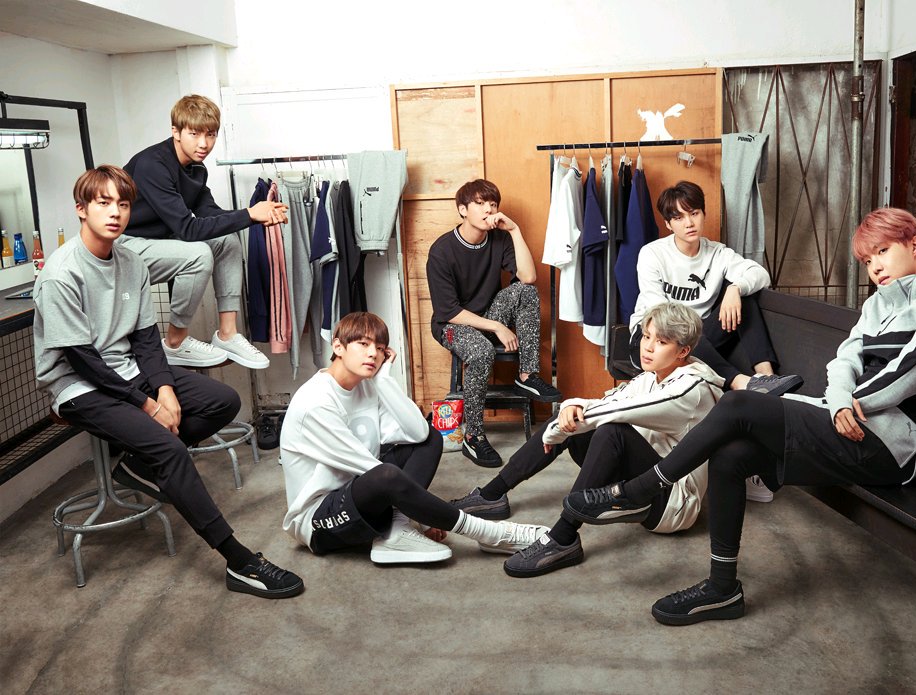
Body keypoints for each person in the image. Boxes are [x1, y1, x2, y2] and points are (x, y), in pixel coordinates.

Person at [563, 207, 916, 626]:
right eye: (867, 260)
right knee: (732, 455)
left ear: (915, 243)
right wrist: (839, 400)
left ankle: (642, 489)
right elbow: (843, 361)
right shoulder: (878, 303)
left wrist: (845, 404)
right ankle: (722, 589)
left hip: (890, 447)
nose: (875, 267)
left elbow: (906, 374)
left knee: (738, 404)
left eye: (882, 252)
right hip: (846, 422)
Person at [33, 165, 303, 599]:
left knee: (222, 401)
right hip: (79, 386)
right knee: (170, 450)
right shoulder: (62, 274)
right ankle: (240, 562)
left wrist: (164, 390)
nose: (115, 213)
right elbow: (82, 361)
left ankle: (139, 465)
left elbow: (146, 340)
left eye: (123, 204)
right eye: (103, 203)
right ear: (81, 209)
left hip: (128, 371)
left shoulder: (131, 262)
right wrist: (148, 406)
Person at [451, 302, 724, 578]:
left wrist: (559, 427)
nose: (648, 347)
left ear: (683, 351)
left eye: (661, 342)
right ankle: (492, 495)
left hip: (671, 502)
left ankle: (563, 538)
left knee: (610, 430)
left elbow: (616, 412)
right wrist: (571, 407)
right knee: (573, 417)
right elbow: (609, 401)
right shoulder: (651, 377)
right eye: (646, 336)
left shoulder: (692, 390)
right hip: (637, 484)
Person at [279, 311, 549, 564]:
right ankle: (491, 534)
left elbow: (418, 433)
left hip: (359, 494)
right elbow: (368, 468)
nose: (373, 354)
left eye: (380, 348)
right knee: (385, 474)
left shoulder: (367, 387)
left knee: (430, 438)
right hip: (319, 522)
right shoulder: (316, 402)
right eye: (363, 344)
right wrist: (426, 516)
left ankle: (396, 532)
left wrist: (384, 380)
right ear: (338, 347)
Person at [121, 94, 287, 369]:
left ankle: (227, 334)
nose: (204, 144)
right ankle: (175, 343)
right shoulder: (153, 165)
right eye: (194, 134)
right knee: (198, 253)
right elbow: (187, 229)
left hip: (159, 242)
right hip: (124, 247)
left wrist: (258, 215)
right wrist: (249, 214)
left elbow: (210, 213)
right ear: (176, 131)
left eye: (210, 135)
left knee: (227, 240)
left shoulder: (196, 168)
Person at [426, 179, 561, 467]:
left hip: (486, 316)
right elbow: (449, 311)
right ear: (463, 209)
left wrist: (514, 230)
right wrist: (498, 327)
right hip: (451, 325)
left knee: (526, 291)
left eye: (493, 203)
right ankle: (473, 437)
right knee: (481, 351)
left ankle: (527, 376)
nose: (489, 208)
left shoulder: (499, 239)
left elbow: (528, 277)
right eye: (480, 203)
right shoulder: (442, 250)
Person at [630, 180, 802, 398]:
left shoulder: (718, 253)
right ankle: (741, 383)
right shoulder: (653, 254)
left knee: (745, 297)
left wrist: (735, 288)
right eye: (679, 218)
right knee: (684, 333)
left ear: (703, 214)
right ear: (668, 224)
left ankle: (767, 377)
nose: (689, 223)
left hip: (699, 337)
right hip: (652, 338)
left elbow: (760, 274)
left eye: (694, 213)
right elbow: (659, 313)